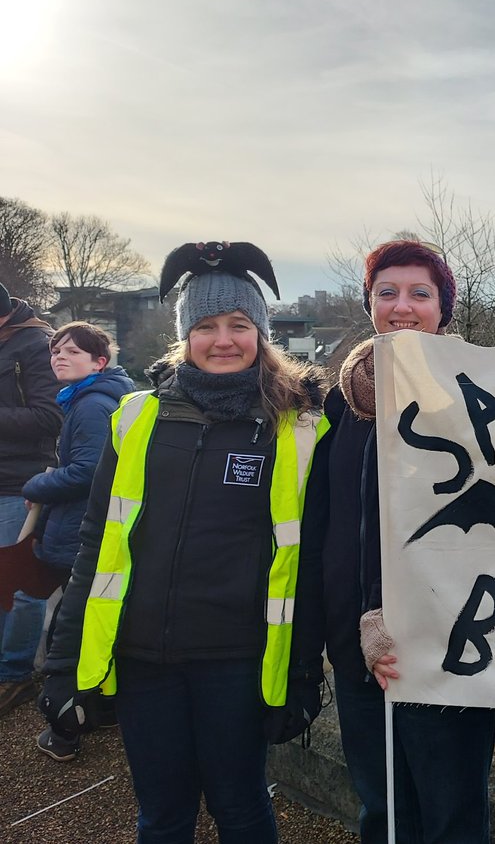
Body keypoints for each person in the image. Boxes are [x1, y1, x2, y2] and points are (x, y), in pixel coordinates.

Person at [38, 244, 329, 842]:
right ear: (185, 336)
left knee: (241, 806)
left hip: (237, 658)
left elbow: (310, 562)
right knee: (162, 815)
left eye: (239, 325)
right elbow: (96, 544)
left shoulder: (299, 426)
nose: (223, 340)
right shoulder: (135, 417)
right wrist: (65, 665)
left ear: (261, 333)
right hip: (146, 658)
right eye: (205, 326)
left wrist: (301, 673)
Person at [311, 239, 495, 844]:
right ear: (369, 305)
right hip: (358, 649)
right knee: (383, 814)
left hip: (450, 645)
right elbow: (330, 520)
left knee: (452, 817)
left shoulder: (480, 394)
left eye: (421, 293)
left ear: (444, 307)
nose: (403, 306)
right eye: (387, 293)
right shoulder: (341, 403)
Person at [23, 321, 135, 761]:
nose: (58, 358)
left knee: (72, 627)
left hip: (83, 533)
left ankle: (67, 721)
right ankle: (102, 707)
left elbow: (89, 472)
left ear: (99, 362)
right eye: (55, 351)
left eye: (71, 352)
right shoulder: (88, 399)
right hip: (86, 530)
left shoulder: (90, 406)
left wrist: (39, 483)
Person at [0, 281, 61, 717]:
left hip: (19, 480)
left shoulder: (36, 344)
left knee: (20, 581)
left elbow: (49, 416)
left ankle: (14, 673)